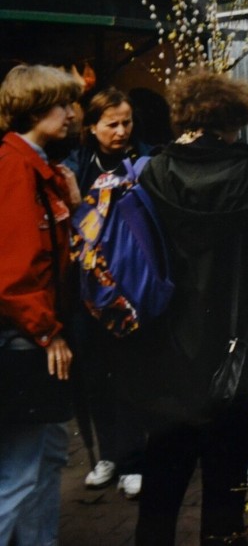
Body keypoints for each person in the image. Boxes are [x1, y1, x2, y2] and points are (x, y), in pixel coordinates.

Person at [132, 70, 248, 545]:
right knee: (226, 477)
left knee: (163, 474)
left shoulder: (153, 172)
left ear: (185, 114)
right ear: (236, 118)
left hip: (168, 343)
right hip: (236, 343)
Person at [0, 64, 80, 546]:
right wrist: (48, 331)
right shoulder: (15, 168)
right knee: (23, 469)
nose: (72, 114)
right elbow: (13, 271)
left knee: (45, 457)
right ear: (33, 109)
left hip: (31, 333)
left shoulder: (34, 166)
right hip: (25, 338)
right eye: (62, 105)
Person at [65, 87, 149, 498]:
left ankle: (134, 459)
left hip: (129, 287)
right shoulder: (75, 166)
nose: (120, 131)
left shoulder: (144, 161)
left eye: (126, 122)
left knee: (132, 372)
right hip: (85, 290)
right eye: (111, 124)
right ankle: (107, 454)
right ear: (92, 127)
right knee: (94, 374)